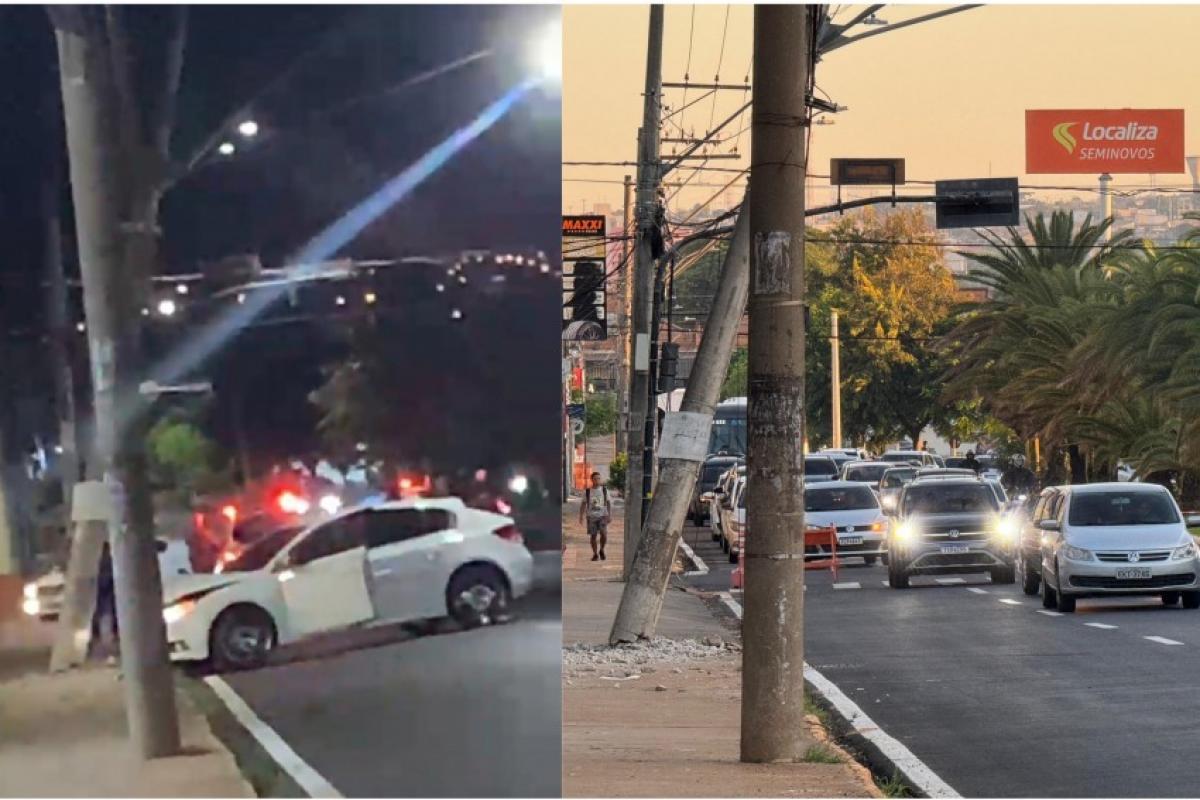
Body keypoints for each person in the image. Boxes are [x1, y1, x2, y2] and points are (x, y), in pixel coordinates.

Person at [578, 471, 611, 562]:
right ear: (591, 480)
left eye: (599, 478)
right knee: (593, 536)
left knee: (604, 534)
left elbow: (608, 503)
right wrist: (581, 516)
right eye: (595, 479)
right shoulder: (587, 491)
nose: (597, 480)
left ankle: (602, 550)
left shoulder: (604, 490)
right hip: (591, 517)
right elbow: (583, 504)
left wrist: (609, 515)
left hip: (602, 516)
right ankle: (595, 554)